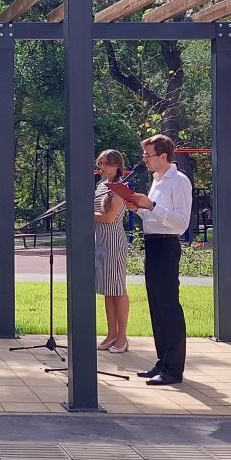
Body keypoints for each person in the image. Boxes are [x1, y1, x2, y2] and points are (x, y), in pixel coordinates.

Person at [124, 134, 191, 386]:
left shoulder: (179, 181)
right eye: (144, 154)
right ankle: (162, 361)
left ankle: (173, 369)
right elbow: (154, 217)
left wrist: (151, 205)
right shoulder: (157, 181)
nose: (145, 159)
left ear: (163, 156)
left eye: (148, 155)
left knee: (169, 306)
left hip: (167, 246)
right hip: (152, 244)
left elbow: (181, 222)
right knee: (156, 305)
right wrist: (139, 208)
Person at [93, 150, 131, 354]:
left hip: (114, 241)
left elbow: (109, 218)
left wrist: (85, 213)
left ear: (116, 165)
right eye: (100, 163)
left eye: (106, 164)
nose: (102, 167)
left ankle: (122, 337)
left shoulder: (120, 188)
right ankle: (111, 334)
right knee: (108, 291)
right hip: (101, 241)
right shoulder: (101, 186)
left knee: (118, 290)